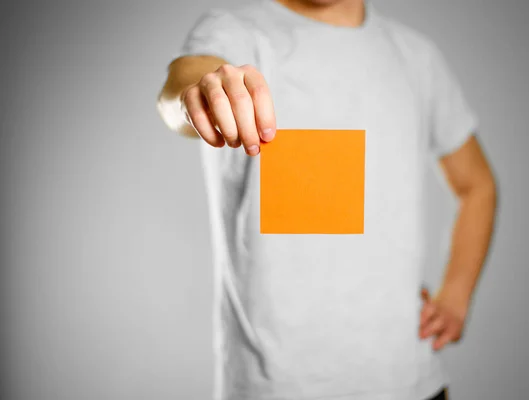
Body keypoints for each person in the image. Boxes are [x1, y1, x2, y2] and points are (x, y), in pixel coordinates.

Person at [156, 0, 497, 399]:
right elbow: (183, 86)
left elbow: (477, 185)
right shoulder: (237, 33)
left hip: (409, 383)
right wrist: (196, 96)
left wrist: (455, 296)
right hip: (277, 387)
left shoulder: (416, 56)